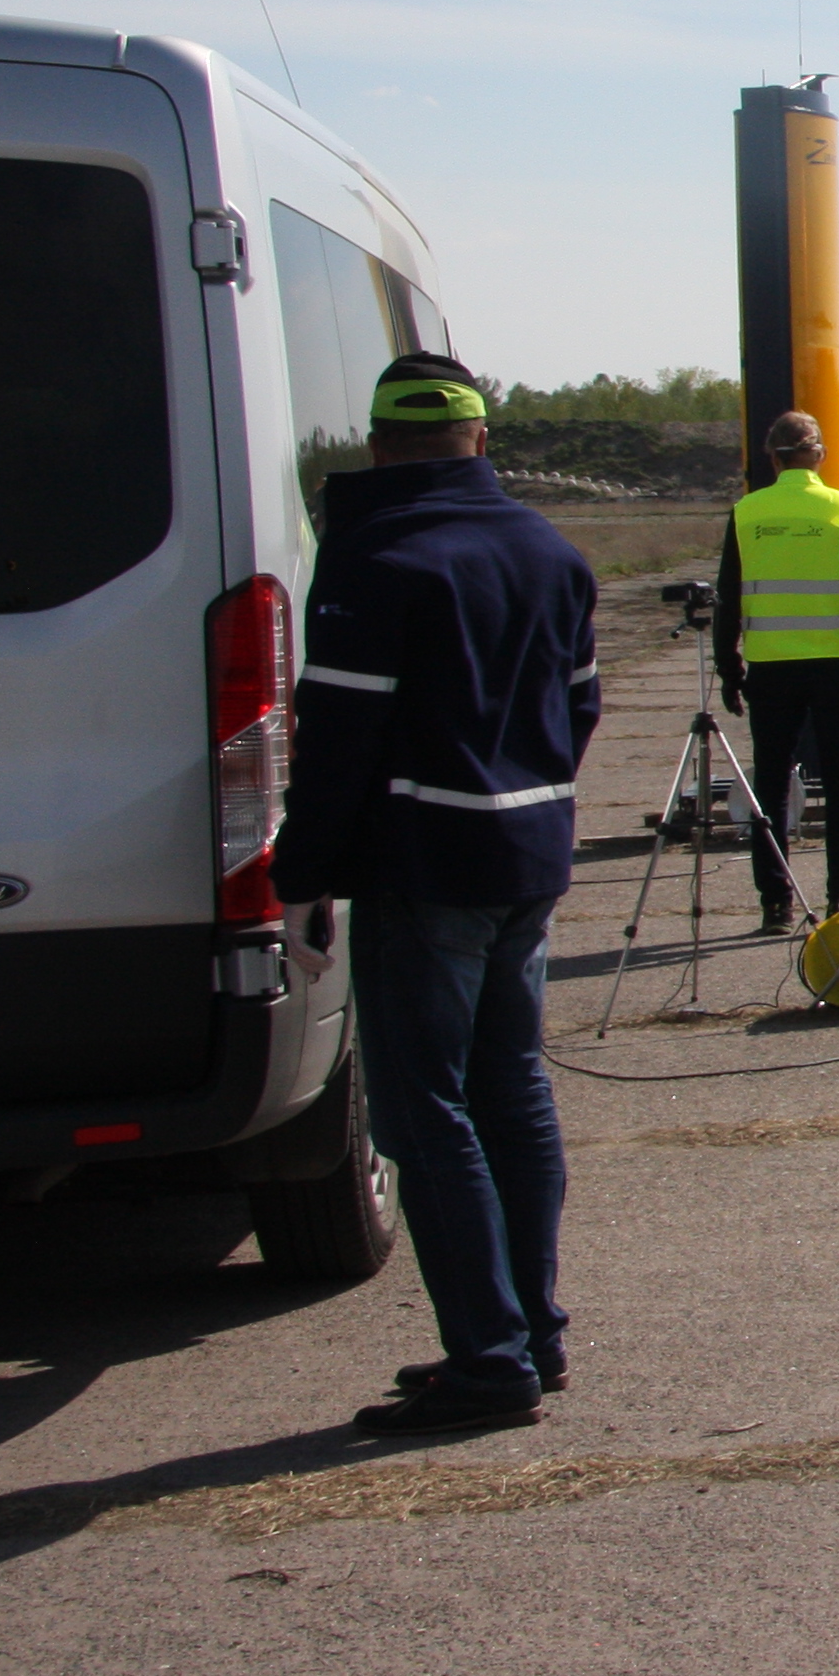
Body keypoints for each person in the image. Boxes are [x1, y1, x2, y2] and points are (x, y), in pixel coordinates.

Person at [270, 353, 599, 1438]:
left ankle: (489, 1359)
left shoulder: (375, 553)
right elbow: (580, 709)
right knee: (511, 1089)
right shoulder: (549, 550)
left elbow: (336, 744)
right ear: (480, 441)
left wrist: (303, 876)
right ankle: (532, 1334)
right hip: (529, 859)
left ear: (376, 445)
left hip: (426, 867)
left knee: (424, 1112)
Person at [714, 410, 839, 929]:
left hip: (770, 665)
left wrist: (729, 668)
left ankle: (775, 901)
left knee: (770, 785)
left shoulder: (747, 512)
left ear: (772, 457)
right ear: (819, 455)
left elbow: (729, 596)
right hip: (835, 662)